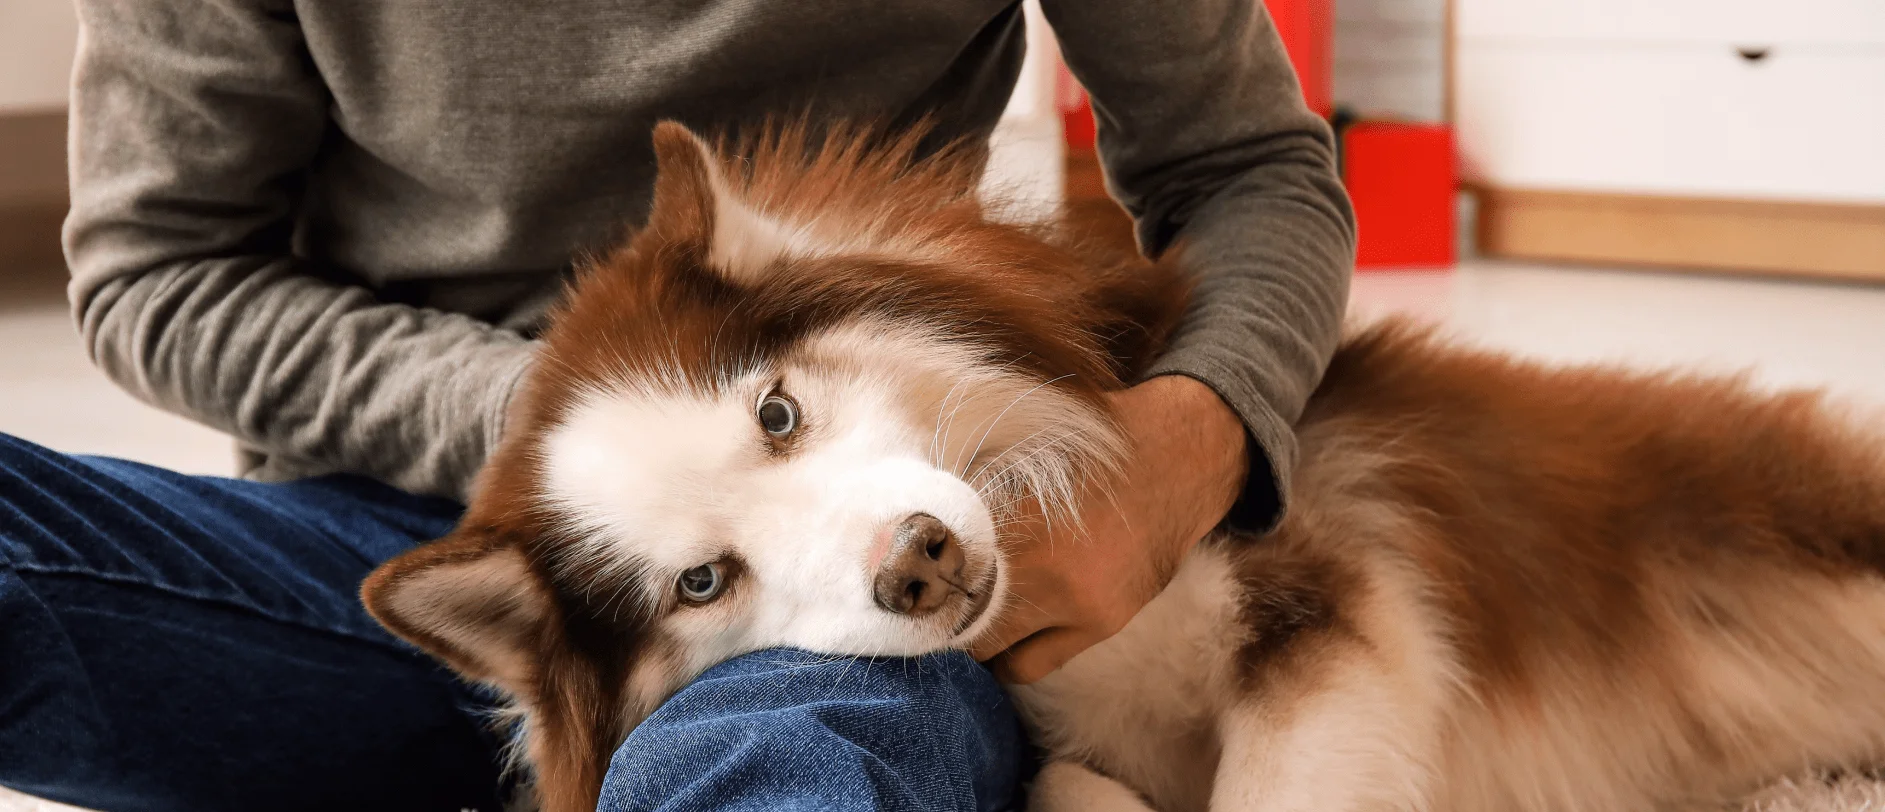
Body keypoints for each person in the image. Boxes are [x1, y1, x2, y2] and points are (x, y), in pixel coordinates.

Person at [0, 0, 1354, 809]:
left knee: (804, 748)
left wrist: (1183, 444)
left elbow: (1247, 164)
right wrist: (592, 446)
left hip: (825, 599)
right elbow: (160, 274)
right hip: (389, 554)